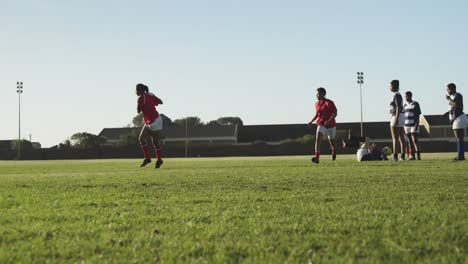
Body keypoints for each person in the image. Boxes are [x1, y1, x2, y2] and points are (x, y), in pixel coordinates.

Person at [136, 83, 164, 168]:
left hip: (153, 121)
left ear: (140, 91)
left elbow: (138, 110)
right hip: (155, 119)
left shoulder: (140, 98)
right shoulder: (150, 94)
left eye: (137, 90)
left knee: (148, 140)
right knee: (145, 139)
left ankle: (154, 159)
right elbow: (160, 102)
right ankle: (153, 159)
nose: (135, 92)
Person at [308, 87, 337, 164]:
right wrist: (311, 121)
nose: (316, 95)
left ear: (323, 94)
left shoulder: (329, 102)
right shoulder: (316, 104)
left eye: (318, 93)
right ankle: (317, 158)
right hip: (321, 124)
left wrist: (329, 121)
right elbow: (317, 114)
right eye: (316, 93)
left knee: (332, 141)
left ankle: (334, 150)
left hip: (331, 125)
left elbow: (335, 113)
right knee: (318, 139)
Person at [446, 83, 467, 161]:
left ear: (453, 88)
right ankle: (460, 156)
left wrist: (449, 100)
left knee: (459, 138)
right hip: (455, 119)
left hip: (459, 118)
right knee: (458, 138)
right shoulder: (452, 97)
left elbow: (458, 106)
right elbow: (452, 109)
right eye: (447, 89)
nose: (447, 91)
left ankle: (460, 157)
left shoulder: (458, 95)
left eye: (448, 89)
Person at [389, 80, 407, 161]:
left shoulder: (396, 95)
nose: (389, 87)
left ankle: (395, 157)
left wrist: (396, 119)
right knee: (401, 138)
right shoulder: (398, 95)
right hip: (401, 116)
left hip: (397, 116)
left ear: (393, 86)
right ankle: (402, 157)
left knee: (395, 138)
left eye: (390, 86)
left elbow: (398, 107)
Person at [404, 91, 422, 160]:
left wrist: (416, 125)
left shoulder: (415, 104)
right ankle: (412, 156)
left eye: (407, 96)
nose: (406, 98)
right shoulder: (405, 105)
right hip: (406, 125)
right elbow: (404, 116)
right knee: (409, 141)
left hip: (413, 124)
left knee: (415, 140)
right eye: (405, 96)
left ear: (411, 96)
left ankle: (418, 156)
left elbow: (417, 115)